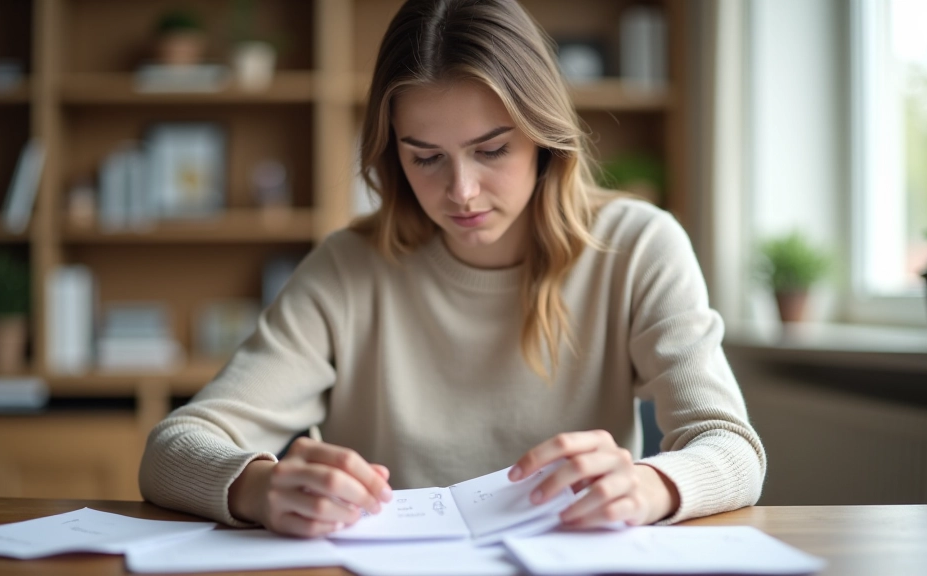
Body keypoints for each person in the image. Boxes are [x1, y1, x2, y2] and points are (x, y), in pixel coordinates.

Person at [139, 0, 766, 537]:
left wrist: (649, 484)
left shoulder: (639, 247)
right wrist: (259, 488)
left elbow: (732, 449)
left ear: (544, 137)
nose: (461, 191)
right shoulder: (347, 270)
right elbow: (173, 449)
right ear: (392, 155)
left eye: (491, 150)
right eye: (426, 158)